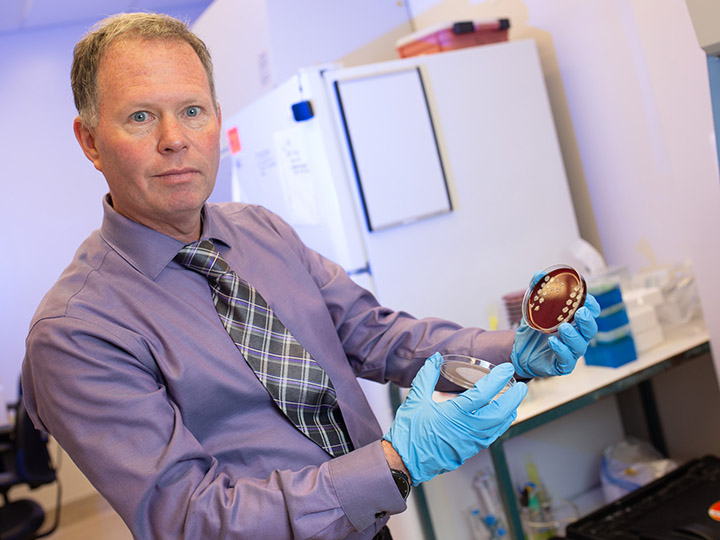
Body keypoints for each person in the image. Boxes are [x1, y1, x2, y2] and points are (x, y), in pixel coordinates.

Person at [21, 12, 600, 540]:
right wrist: (397, 462)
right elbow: (189, 519)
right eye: (141, 116)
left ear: (216, 120)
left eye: (192, 110)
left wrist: (513, 350)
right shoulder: (74, 333)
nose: (174, 139)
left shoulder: (260, 230)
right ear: (91, 141)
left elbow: (375, 333)